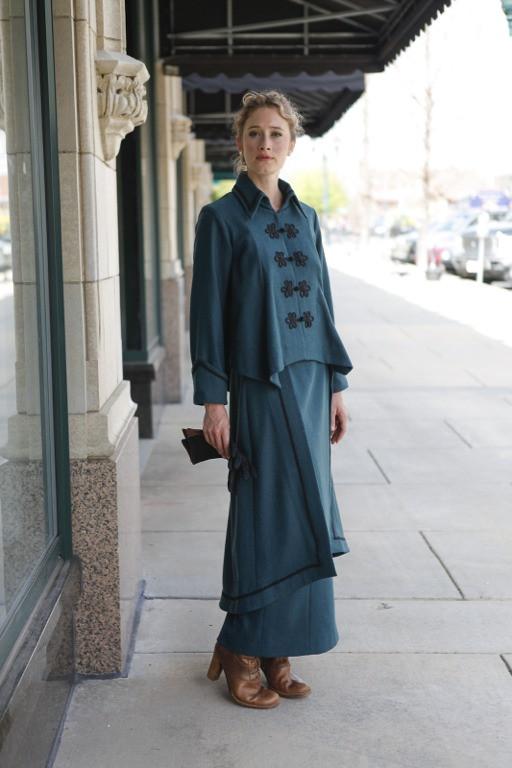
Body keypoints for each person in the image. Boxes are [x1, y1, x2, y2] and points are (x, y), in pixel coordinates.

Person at [189, 89, 353, 710]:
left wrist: (337, 385)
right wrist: (214, 400)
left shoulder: (309, 218)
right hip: (257, 386)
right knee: (263, 516)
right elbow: (207, 317)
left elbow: (323, 303)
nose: (265, 144)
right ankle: (243, 647)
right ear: (239, 142)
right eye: (255, 133)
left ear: (291, 142)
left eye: (276, 134)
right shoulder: (221, 220)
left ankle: (281, 649)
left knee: (306, 511)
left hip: (312, 385)